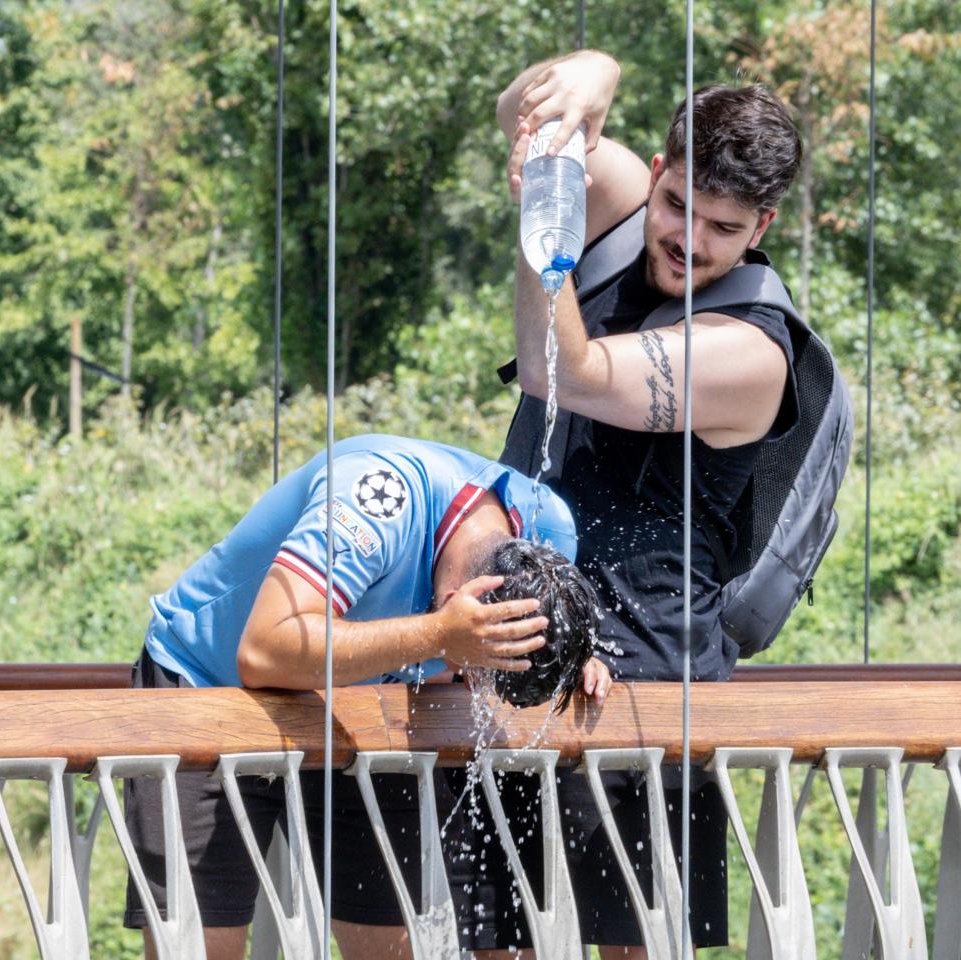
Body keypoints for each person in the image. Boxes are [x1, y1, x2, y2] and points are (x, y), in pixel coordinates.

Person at [490, 50, 804, 954]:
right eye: (677, 206)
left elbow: (559, 369)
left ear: (761, 227)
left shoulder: (752, 353)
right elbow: (521, 116)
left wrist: (545, 215)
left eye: (723, 227)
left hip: (647, 683)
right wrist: (596, 73)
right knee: (495, 941)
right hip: (518, 647)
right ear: (659, 173)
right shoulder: (631, 209)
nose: (688, 241)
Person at [124, 433, 610, 960]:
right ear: (454, 602)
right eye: (471, 669)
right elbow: (262, 650)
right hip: (208, 682)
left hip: (354, 699)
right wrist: (437, 637)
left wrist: (565, 654)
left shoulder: (548, 527)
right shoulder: (376, 498)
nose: (466, 682)